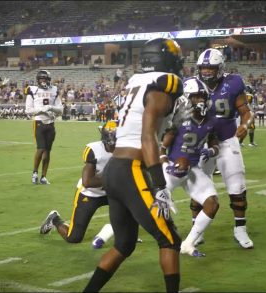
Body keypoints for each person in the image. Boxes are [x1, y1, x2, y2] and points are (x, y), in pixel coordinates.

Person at [83, 37, 183, 293]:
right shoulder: (164, 85)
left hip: (114, 169)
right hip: (132, 169)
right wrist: (160, 185)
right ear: (167, 60)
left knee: (124, 244)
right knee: (169, 239)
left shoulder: (137, 81)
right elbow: (147, 136)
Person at [196, 48, 254, 249]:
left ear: (219, 68)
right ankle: (197, 228)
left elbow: (246, 112)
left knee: (237, 186)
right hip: (202, 143)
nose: (206, 72)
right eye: (203, 68)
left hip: (227, 140)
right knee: (198, 186)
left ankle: (240, 229)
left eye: (210, 68)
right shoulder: (193, 85)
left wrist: (245, 125)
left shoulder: (233, 82)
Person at [160, 77, 220, 257]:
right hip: (172, 167)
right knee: (153, 204)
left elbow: (214, 143)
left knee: (212, 203)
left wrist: (211, 150)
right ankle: (118, 230)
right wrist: (165, 165)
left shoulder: (210, 119)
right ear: (187, 98)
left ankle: (188, 243)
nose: (200, 100)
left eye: (202, 96)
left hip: (192, 168)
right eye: (196, 97)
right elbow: (162, 147)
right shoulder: (178, 117)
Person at [39, 121, 117, 249]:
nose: (113, 146)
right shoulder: (94, 149)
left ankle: (126, 234)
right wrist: (114, 180)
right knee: (74, 238)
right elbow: (87, 182)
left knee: (133, 208)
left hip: (112, 192)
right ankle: (55, 219)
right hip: (90, 193)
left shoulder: (127, 149)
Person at [25, 70, 63, 184]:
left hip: (51, 124)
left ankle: (43, 176)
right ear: (37, 79)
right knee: (40, 148)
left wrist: (51, 108)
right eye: (41, 79)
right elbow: (28, 110)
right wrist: (41, 109)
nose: (43, 81)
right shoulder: (32, 90)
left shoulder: (54, 90)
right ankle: (35, 173)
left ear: (49, 80)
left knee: (47, 151)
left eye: (45, 79)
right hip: (39, 122)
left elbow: (60, 110)